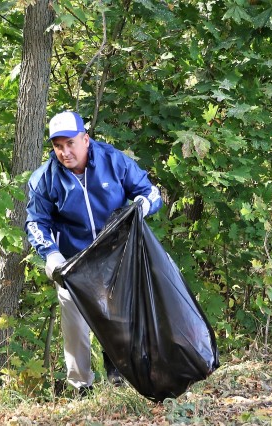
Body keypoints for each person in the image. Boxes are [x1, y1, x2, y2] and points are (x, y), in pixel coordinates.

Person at [25, 111, 163, 394]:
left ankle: (120, 377)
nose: (64, 152)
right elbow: (35, 222)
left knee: (121, 316)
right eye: (57, 146)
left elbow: (150, 192)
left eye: (70, 143)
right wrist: (51, 254)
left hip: (116, 255)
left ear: (85, 139)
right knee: (74, 323)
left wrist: (141, 206)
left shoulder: (112, 161)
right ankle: (81, 386)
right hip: (73, 263)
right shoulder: (45, 179)